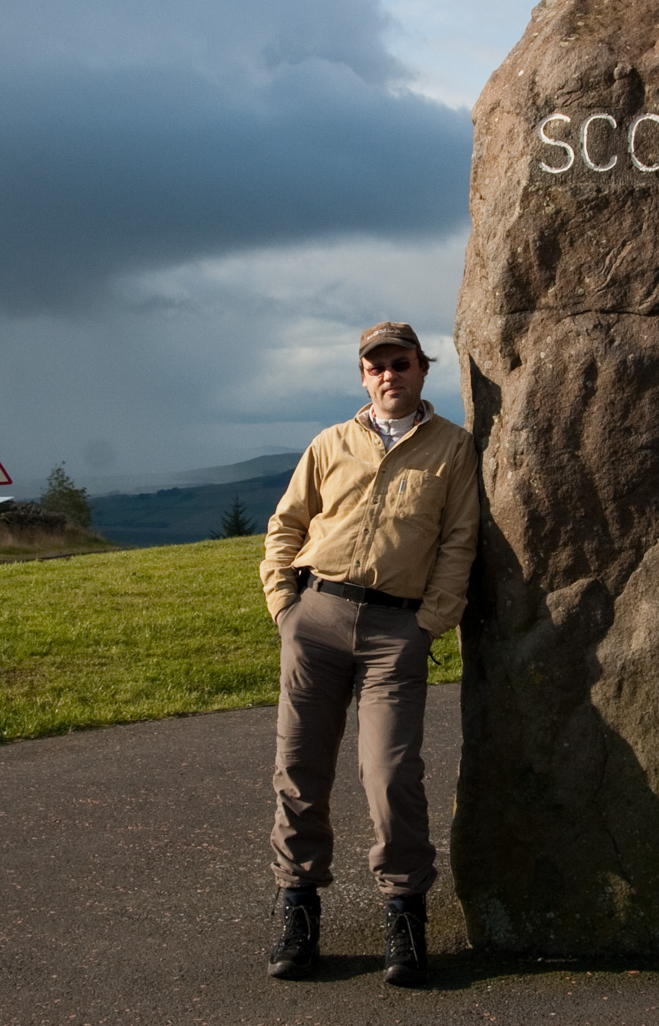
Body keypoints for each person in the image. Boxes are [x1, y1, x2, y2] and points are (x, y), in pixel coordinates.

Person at [258, 321, 480, 987]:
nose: (389, 375)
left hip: (396, 632)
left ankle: (405, 914)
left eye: (401, 363)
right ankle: (297, 911)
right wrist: (285, 607)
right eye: (377, 366)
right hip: (317, 619)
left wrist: (429, 625)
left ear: (422, 369)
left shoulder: (453, 448)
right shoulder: (329, 444)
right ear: (363, 376)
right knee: (300, 770)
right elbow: (286, 524)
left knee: (391, 775)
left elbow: (460, 540)